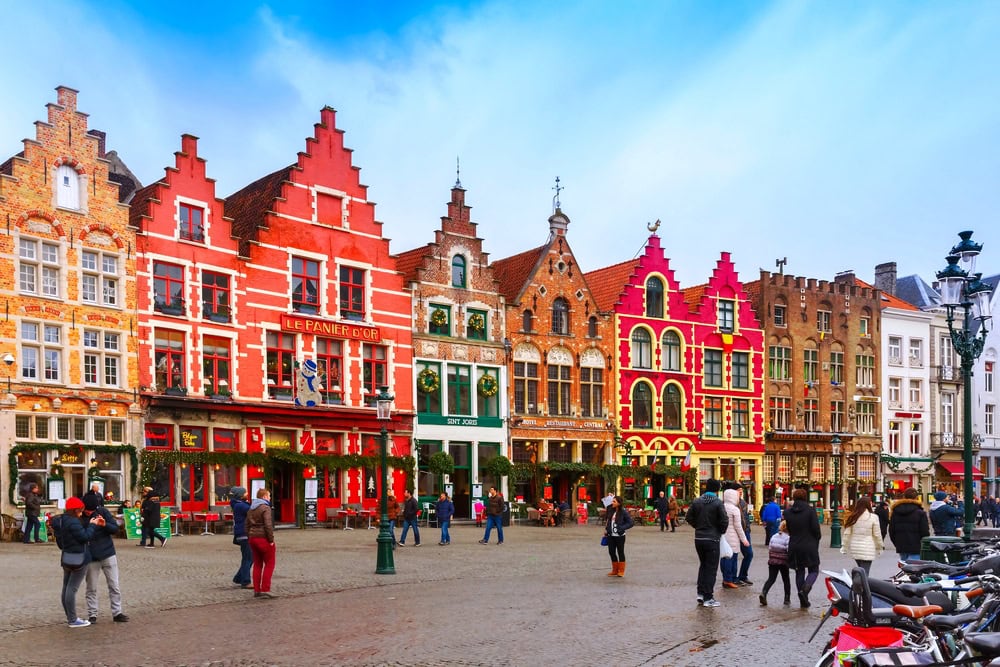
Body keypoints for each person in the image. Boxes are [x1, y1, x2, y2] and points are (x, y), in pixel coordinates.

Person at [56, 496, 104, 628]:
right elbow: (85, 537)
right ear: (75, 510)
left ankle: (69, 617)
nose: (82, 513)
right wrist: (92, 525)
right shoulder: (74, 522)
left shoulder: (62, 520)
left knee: (66, 587)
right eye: (80, 510)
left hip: (66, 557)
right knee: (72, 589)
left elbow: (60, 540)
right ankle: (72, 619)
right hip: (79, 558)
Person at [82, 493, 128, 623]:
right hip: (91, 556)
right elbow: (81, 535)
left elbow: (115, 528)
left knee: (114, 585)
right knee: (91, 587)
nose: (90, 512)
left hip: (108, 553)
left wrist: (104, 525)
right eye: (87, 510)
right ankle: (92, 614)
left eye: (92, 510)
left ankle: (117, 612)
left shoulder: (102, 511)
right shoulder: (80, 516)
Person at [685, 479, 728, 608]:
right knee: (711, 568)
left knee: (703, 566)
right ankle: (708, 597)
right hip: (712, 539)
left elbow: (688, 517)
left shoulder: (697, 501)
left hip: (699, 538)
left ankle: (701, 593)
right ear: (717, 490)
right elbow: (724, 520)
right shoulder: (718, 502)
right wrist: (719, 531)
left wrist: (698, 526)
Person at [785, 488, 821, 608]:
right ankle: (805, 590)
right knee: (814, 569)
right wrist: (816, 540)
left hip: (794, 544)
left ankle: (802, 599)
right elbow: (816, 529)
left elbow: (788, 529)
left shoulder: (788, 512)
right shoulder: (810, 511)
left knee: (799, 570)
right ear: (806, 497)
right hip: (809, 544)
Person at [841, 497, 884, 575]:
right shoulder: (873, 517)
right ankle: (860, 586)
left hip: (855, 547)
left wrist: (844, 547)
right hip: (868, 547)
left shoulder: (853, 516)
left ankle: (857, 584)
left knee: (861, 570)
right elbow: (877, 535)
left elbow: (847, 534)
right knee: (865, 573)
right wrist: (880, 547)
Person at [246, 487, 276, 598]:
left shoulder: (251, 508)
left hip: (253, 538)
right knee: (270, 563)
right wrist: (271, 540)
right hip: (263, 537)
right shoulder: (265, 508)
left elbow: (247, 524)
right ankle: (265, 588)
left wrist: (249, 535)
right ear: (264, 497)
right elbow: (268, 525)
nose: (270, 498)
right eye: (269, 496)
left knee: (257, 564)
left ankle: (257, 590)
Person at [888, 487, 929, 561]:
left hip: (901, 545)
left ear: (904, 496)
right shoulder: (920, 513)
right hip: (916, 546)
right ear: (917, 497)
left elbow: (891, 530)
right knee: (914, 569)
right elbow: (925, 531)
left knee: (905, 568)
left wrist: (897, 543)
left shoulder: (895, 511)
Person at [721, 487, 750, 589]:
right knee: (731, 559)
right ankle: (729, 579)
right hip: (733, 537)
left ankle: (726, 578)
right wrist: (744, 540)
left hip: (723, 536)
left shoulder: (721, 507)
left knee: (724, 558)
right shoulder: (735, 509)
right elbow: (738, 527)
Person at [759, 520, 791, 606]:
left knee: (771, 579)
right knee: (786, 580)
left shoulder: (774, 536)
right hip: (783, 562)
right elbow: (788, 550)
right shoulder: (788, 538)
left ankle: (764, 592)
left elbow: (770, 548)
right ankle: (787, 598)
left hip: (773, 561)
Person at [604, 495, 635, 577]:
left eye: (614, 501)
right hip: (611, 535)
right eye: (612, 501)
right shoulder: (611, 510)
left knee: (620, 552)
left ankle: (621, 571)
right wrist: (607, 530)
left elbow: (631, 523)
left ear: (619, 503)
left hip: (620, 536)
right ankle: (614, 570)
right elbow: (608, 520)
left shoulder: (623, 512)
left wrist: (622, 528)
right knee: (611, 552)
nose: (612, 503)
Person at [230, 486, 252, 588]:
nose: (247, 493)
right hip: (244, 534)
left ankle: (239, 577)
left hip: (242, 534)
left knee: (247, 557)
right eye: (245, 492)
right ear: (240, 495)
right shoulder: (241, 506)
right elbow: (253, 513)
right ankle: (245, 581)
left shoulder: (238, 504)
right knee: (249, 558)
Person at [734, 486, 754, 586]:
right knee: (734, 555)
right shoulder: (732, 503)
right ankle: (733, 578)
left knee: (749, 554)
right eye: (739, 490)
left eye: (742, 490)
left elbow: (746, 517)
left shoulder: (743, 502)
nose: (741, 492)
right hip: (735, 532)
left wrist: (748, 528)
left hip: (745, 531)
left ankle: (742, 576)